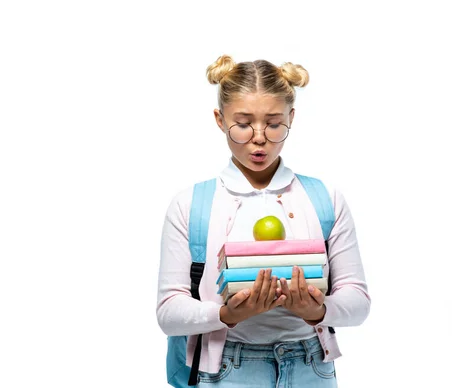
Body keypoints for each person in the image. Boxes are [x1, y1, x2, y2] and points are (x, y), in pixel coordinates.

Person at [156, 55, 371, 387]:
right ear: (219, 119)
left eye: (274, 123)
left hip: (312, 367)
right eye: (243, 123)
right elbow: (169, 313)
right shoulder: (191, 205)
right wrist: (225, 315)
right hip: (227, 370)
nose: (259, 137)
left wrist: (317, 311)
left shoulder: (325, 199)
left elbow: (357, 301)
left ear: (292, 118)